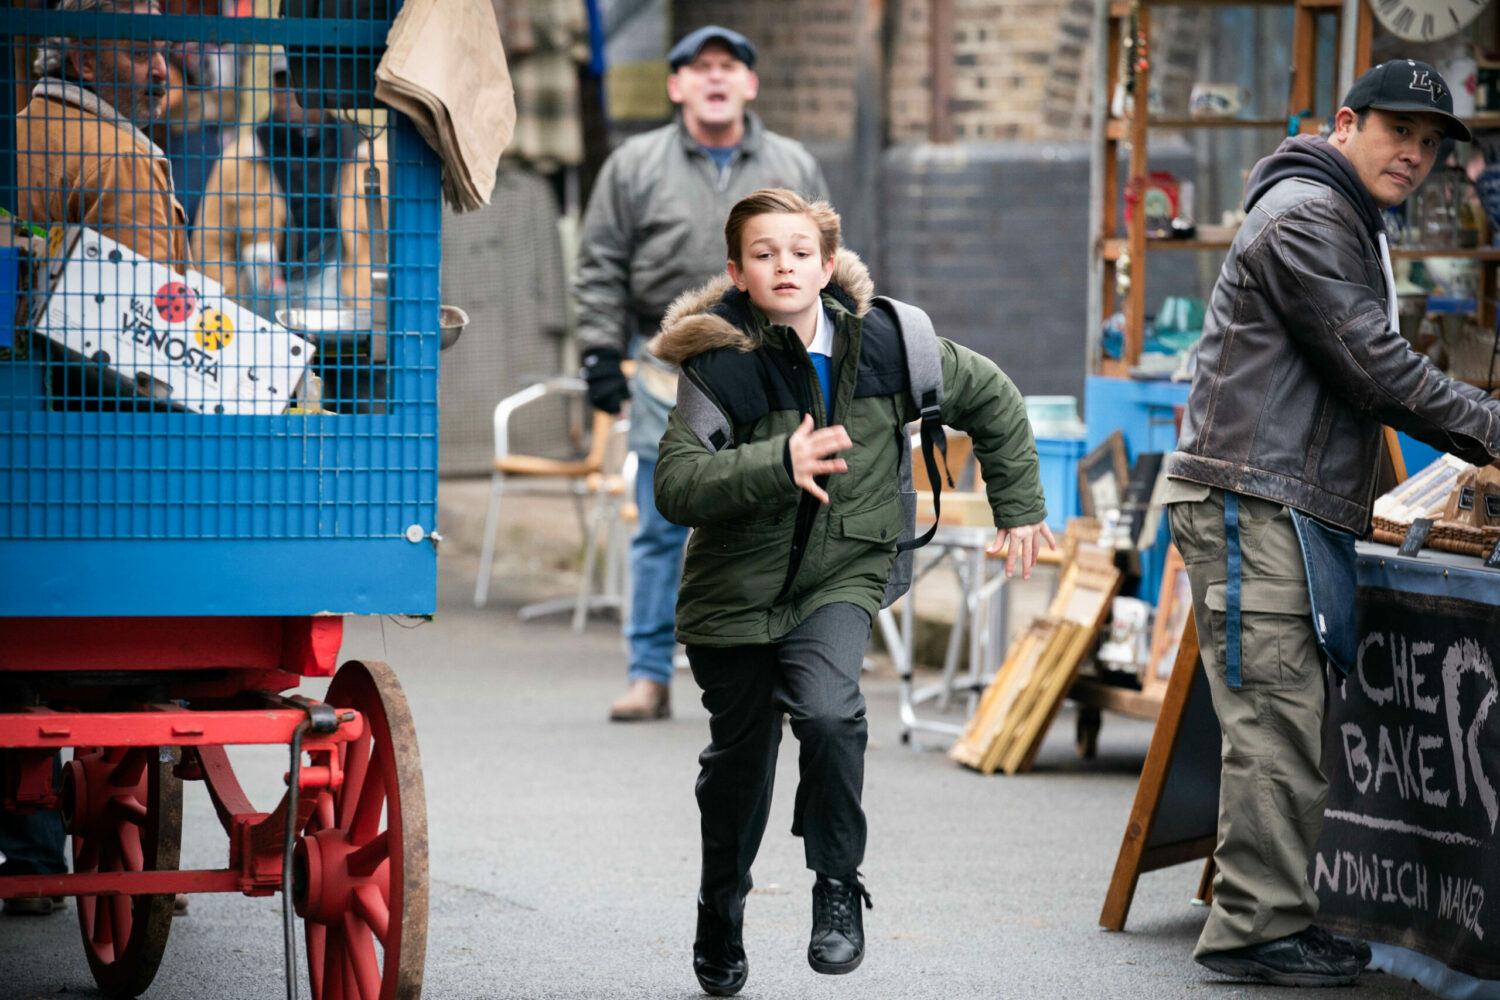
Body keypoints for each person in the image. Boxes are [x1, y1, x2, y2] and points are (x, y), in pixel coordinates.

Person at [651, 188, 1053, 996]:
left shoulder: (892, 347)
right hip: (734, 592)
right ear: (737, 272)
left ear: (827, 264)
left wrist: (1021, 510)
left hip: (844, 571)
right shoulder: (719, 363)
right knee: (740, 768)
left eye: (800, 251)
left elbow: (995, 400)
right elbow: (676, 485)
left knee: (832, 714)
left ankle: (837, 889)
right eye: (764, 254)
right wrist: (778, 464)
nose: (784, 266)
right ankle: (719, 907)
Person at [1162, 59, 1500, 987]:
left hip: (1277, 497)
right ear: (1345, 123)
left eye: (1431, 145)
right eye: (1400, 134)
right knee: (1276, 720)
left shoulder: (1338, 213)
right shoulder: (1310, 214)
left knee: (1287, 718)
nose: (1416, 156)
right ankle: (1253, 932)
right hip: (1253, 497)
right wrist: (1491, 428)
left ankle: (1272, 916)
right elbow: (1375, 367)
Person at [573, 25, 829, 722]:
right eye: (699, 66)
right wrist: (598, 354)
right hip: (670, 369)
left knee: (777, 513)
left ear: (749, 83)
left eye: (730, 65)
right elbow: (598, 266)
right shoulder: (633, 165)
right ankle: (648, 674)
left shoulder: (792, 164)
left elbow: (828, 264)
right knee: (663, 522)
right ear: (676, 85)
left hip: (773, 364)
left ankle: (779, 669)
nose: (715, 77)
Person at [7, 0, 178, 913]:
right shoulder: (121, 158)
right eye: (139, 52)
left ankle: (32, 860)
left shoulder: (16, 133)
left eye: (162, 53)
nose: (160, 73)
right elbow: (151, 340)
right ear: (79, 54)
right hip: (93, 459)